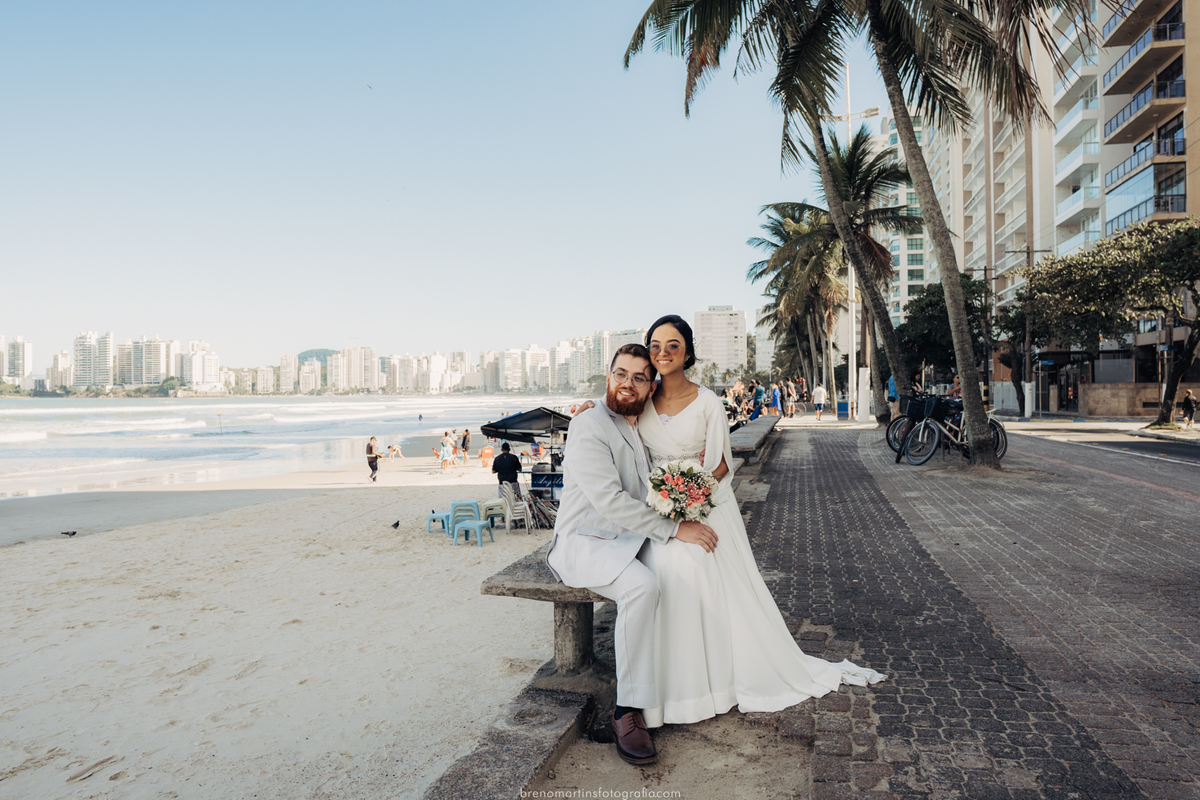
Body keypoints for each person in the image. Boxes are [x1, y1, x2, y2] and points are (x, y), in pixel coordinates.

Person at [635, 315, 883, 730]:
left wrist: (689, 498)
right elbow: (614, 419)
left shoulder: (708, 402)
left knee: (689, 565)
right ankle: (663, 686)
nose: (663, 353)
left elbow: (720, 465)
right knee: (656, 570)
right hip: (656, 509)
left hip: (702, 503)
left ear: (687, 353)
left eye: (672, 345)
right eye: (655, 345)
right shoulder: (641, 398)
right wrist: (589, 410)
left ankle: (704, 686)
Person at [547, 343, 718, 765]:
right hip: (586, 543)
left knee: (687, 568)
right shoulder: (589, 423)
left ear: (650, 386)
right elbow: (609, 501)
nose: (628, 383)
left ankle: (689, 680)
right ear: (608, 377)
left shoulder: (640, 421)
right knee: (642, 588)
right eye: (621, 374)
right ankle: (627, 710)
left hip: (628, 538)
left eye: (639, 377)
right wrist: (676, 529)